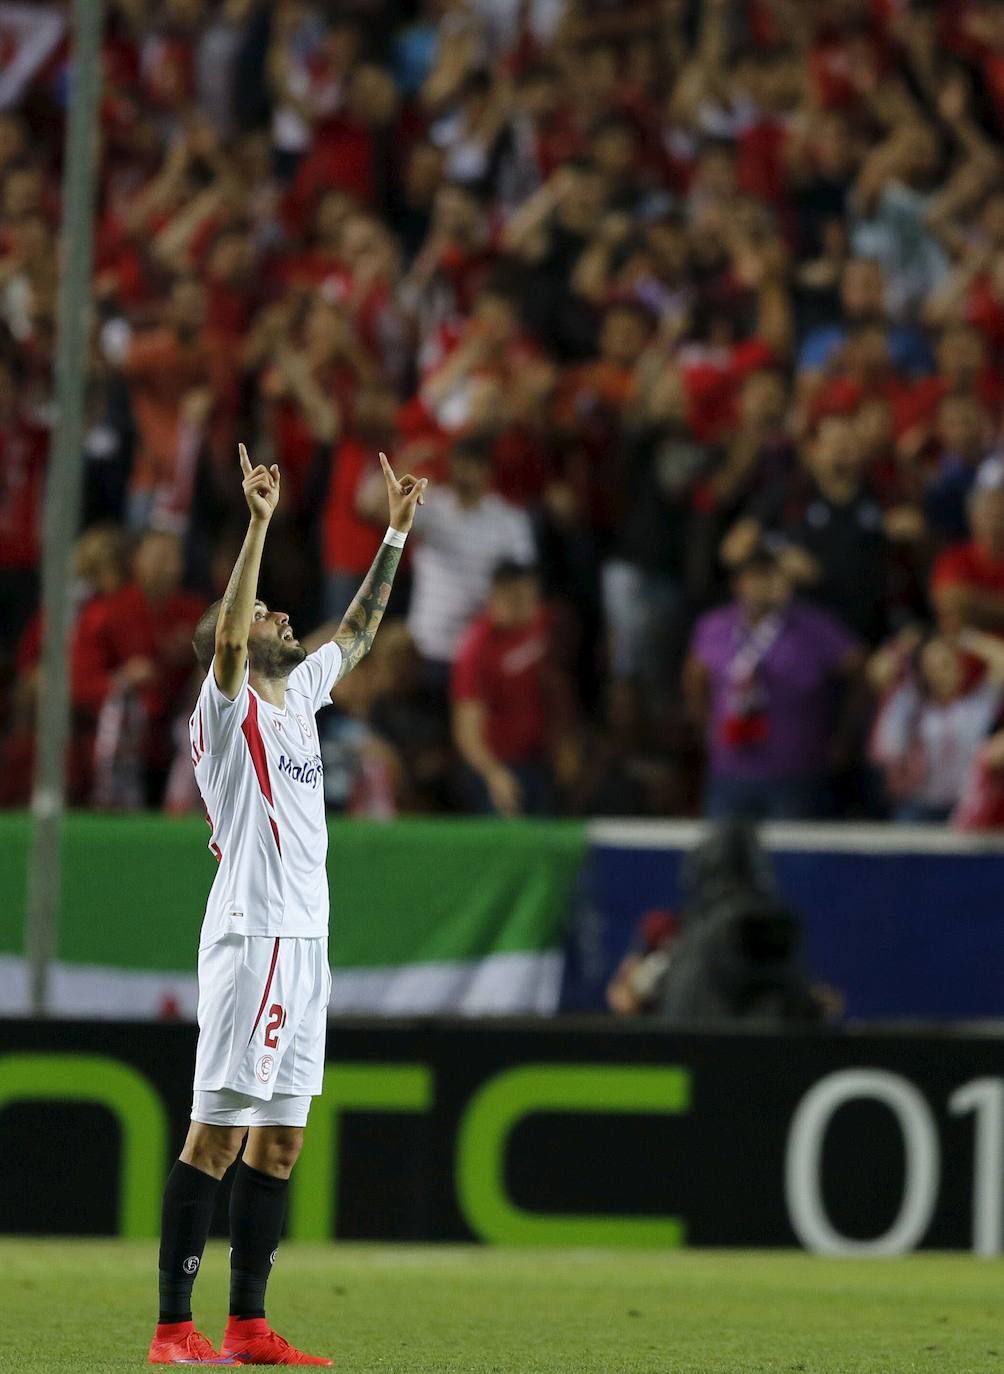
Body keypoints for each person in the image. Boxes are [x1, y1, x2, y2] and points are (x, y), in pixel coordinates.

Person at [148, 443, 427, 1366]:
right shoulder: (223, 709)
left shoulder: (299, 696)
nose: (279, 615)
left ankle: (250, 1326)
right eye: (267, 611)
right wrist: (258, 524)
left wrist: (392, 534)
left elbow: (355, 634)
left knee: (280, 1143)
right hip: (253, 934)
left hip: (307, 941)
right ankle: (172, 1329)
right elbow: (229, 638)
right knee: (216, 1136)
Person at [683, 548, 863, 821]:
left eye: (769, 578)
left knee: (791, 861)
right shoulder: (714, 626)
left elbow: (860, 670)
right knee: (723, 860)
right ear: (737, 584)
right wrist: (706, 727)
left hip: (796, 772)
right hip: (728, 771)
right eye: (753, 579)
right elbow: (693, 677)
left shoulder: (813, 627)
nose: (760, 587)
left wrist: (846, 736)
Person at [451, 560, 571, 816]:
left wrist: (563, 739)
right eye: (522, 599)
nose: (531, 607)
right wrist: (494, 775)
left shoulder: (541, 626)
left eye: (533, 598)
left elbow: (556, 683)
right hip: (497, 765)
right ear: (500, 598)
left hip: (540, 759)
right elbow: (468, 731)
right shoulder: (477, 651)